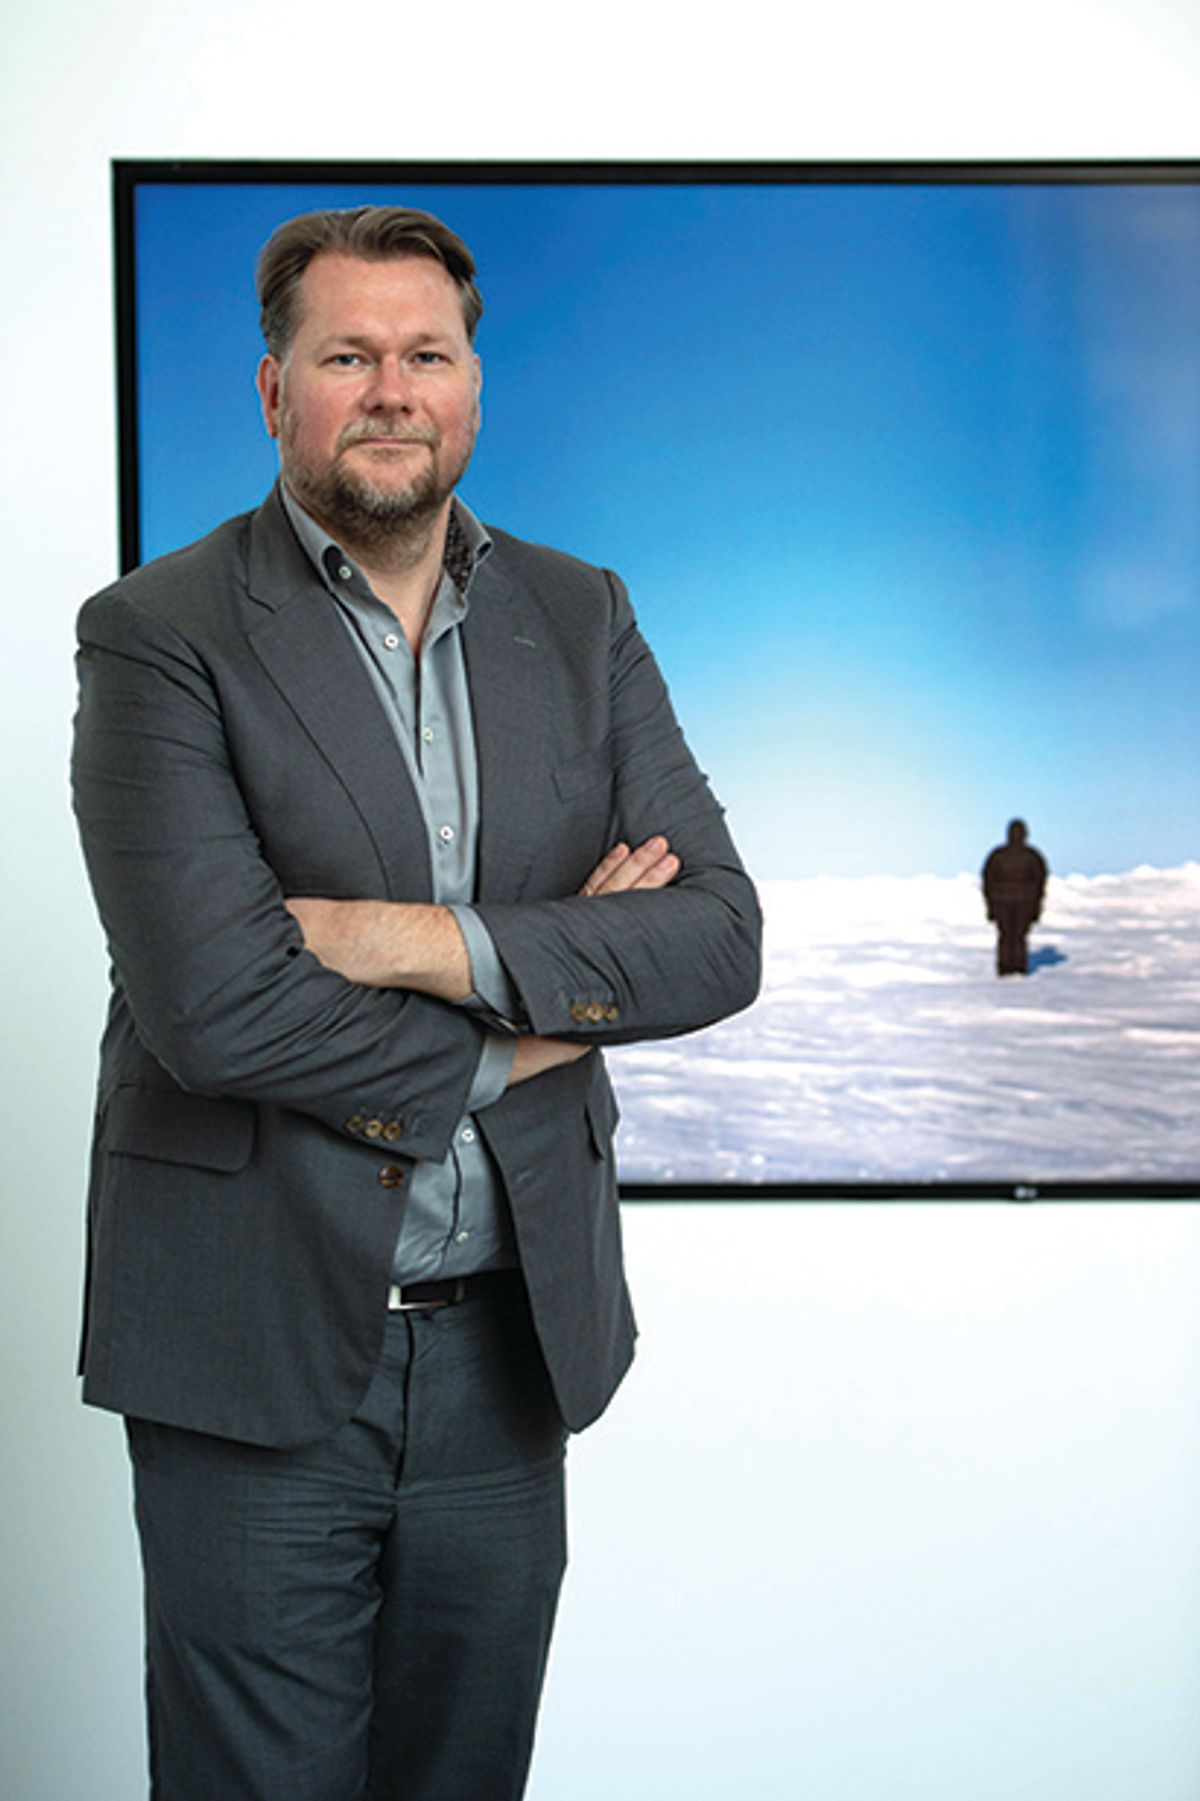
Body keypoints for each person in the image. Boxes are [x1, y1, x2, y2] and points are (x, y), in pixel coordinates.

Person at [71, 205, 761, 1801]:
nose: (392, 387)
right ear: (272, 392)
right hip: (249, 1347)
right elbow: (217, 1010)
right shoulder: (159, 635)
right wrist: (543, 1011)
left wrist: (403, 938)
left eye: (427, 353)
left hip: (507, 1348)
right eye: (348, 354)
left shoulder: (583, 617)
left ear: (472, 387)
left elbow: (716, 938)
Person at [981, 818, 1048, 975]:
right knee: (1019, 936)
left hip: (1003, 902)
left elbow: (988, 881)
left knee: (1006, 935)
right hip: (1023, 902)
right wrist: (1036, 906)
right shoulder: (1033, 856)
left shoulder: (998, 855)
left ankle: (1005, 967)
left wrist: (990, 905)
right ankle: (1018, 967)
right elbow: (1040, 883)